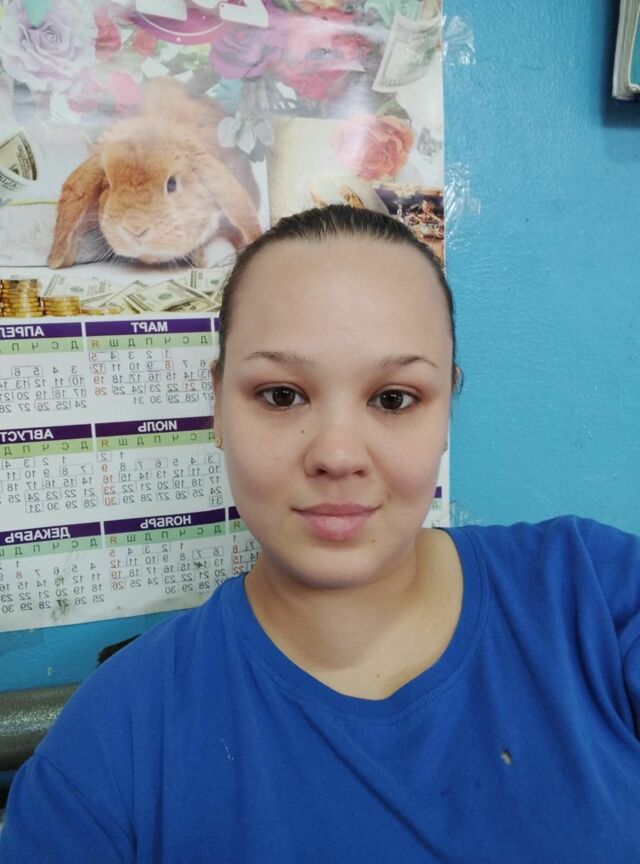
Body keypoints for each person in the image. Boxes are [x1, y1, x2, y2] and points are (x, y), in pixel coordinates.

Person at [1, 205, 639, 863]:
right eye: (281, 396)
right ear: (217, 405)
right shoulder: (110, 746)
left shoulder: (594, 596)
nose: (337, 455)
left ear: (447, 407)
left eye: (394, 399)